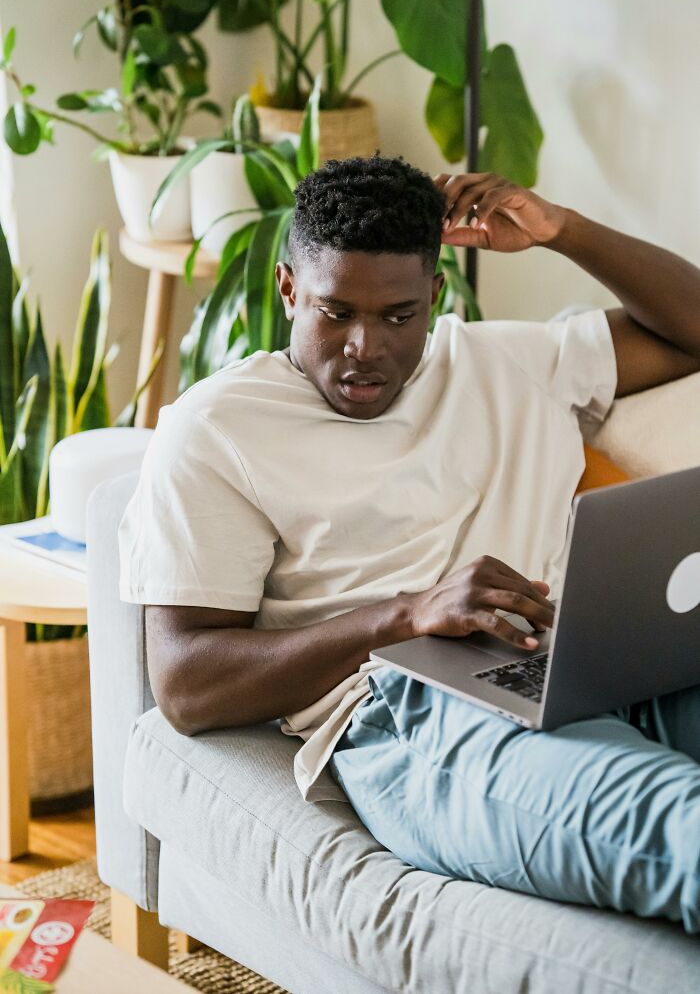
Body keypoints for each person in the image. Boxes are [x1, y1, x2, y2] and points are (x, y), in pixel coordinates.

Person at [118, 155, 700, 932]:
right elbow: (185, 686)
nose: (366, 347)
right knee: (681, 827)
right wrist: (405, 615)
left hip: (582, 664)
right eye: (335, 312)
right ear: (290, 288)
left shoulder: (509, 361)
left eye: (398, 316)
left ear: (434, 295)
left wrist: (565, 231)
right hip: (410, 716)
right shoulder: (217, 428)